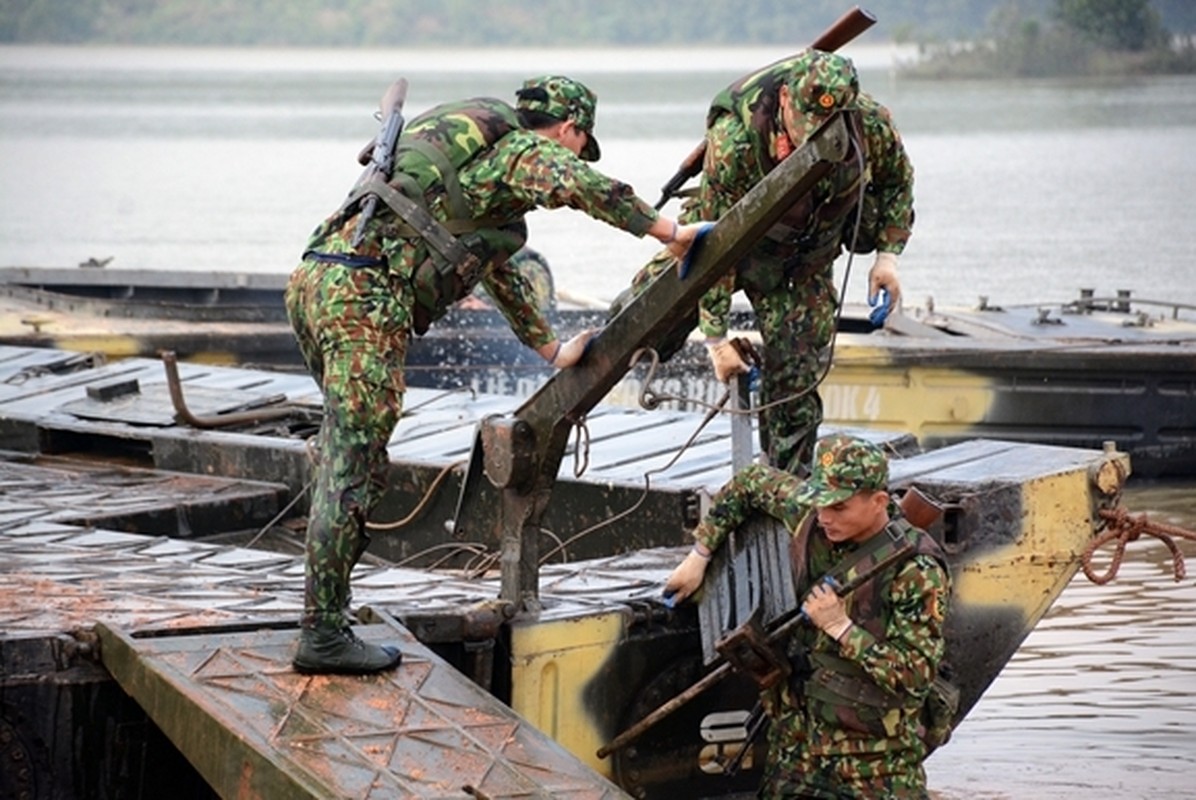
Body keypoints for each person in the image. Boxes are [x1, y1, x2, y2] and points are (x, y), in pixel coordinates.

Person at [286, 75, 703, 675]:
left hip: (315, 281)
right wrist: (668, 232)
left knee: (348, 457)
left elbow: (483, 263)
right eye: (576, 144)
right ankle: (322, 633)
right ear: (569, 130)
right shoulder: (524, 152)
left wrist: (549, 347)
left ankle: (329, 613)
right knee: (352, 470)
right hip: (364, 298)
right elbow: (580, 184)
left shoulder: (471, 161)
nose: (570, 155)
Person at [624, 49, 914, 475]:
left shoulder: (869, 124)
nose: (813, 136)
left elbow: (896, 182)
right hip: (719, 245)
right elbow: (715, 245)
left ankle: (783, 492)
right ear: (784, 99)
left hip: (801, 263)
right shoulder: (734, 143)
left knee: (795, 385)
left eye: (827, 126)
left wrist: (887, 257)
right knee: (643, 314)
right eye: (805, 124)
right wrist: (716, 341)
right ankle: (597, 358)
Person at [664, 434, 949, 799]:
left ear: (879, 501)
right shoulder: (812, 513)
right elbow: (751, 482)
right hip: (796, 749)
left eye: (839, 508)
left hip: (874, 763)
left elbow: (914, 676)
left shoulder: (916, 570)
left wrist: (840, 627)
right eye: (820, 504)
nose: (825, 517)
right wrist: (700, 555)